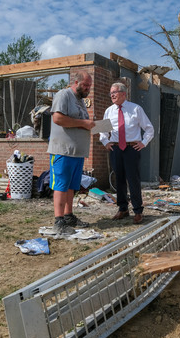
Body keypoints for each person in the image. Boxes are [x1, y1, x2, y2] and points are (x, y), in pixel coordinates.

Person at [47, 71, 95, 234]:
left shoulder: (80, 101)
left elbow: (79, 123)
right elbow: (58, 119)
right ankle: (58, 221)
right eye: (85, 85)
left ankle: (68, 216)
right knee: (61, 185)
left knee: (71, 186)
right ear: (76, 82)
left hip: (76, 153)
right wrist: (84, 123)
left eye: (89, 86)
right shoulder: (64, 95)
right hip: (63, 150)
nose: (88, 88)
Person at [99, 82, 154, 224]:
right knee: (119, 179)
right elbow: (102, 131)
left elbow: (149, 129)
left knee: (133, 179)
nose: (112, 95)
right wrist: (106, 142)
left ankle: (138, 211)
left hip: (131, 149)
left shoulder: (136, 109)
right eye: (110, 92)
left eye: (115, 92)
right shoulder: (109, 111)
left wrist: (143, 143)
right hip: (116, 149)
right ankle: (122, 208)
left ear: (124, 93)